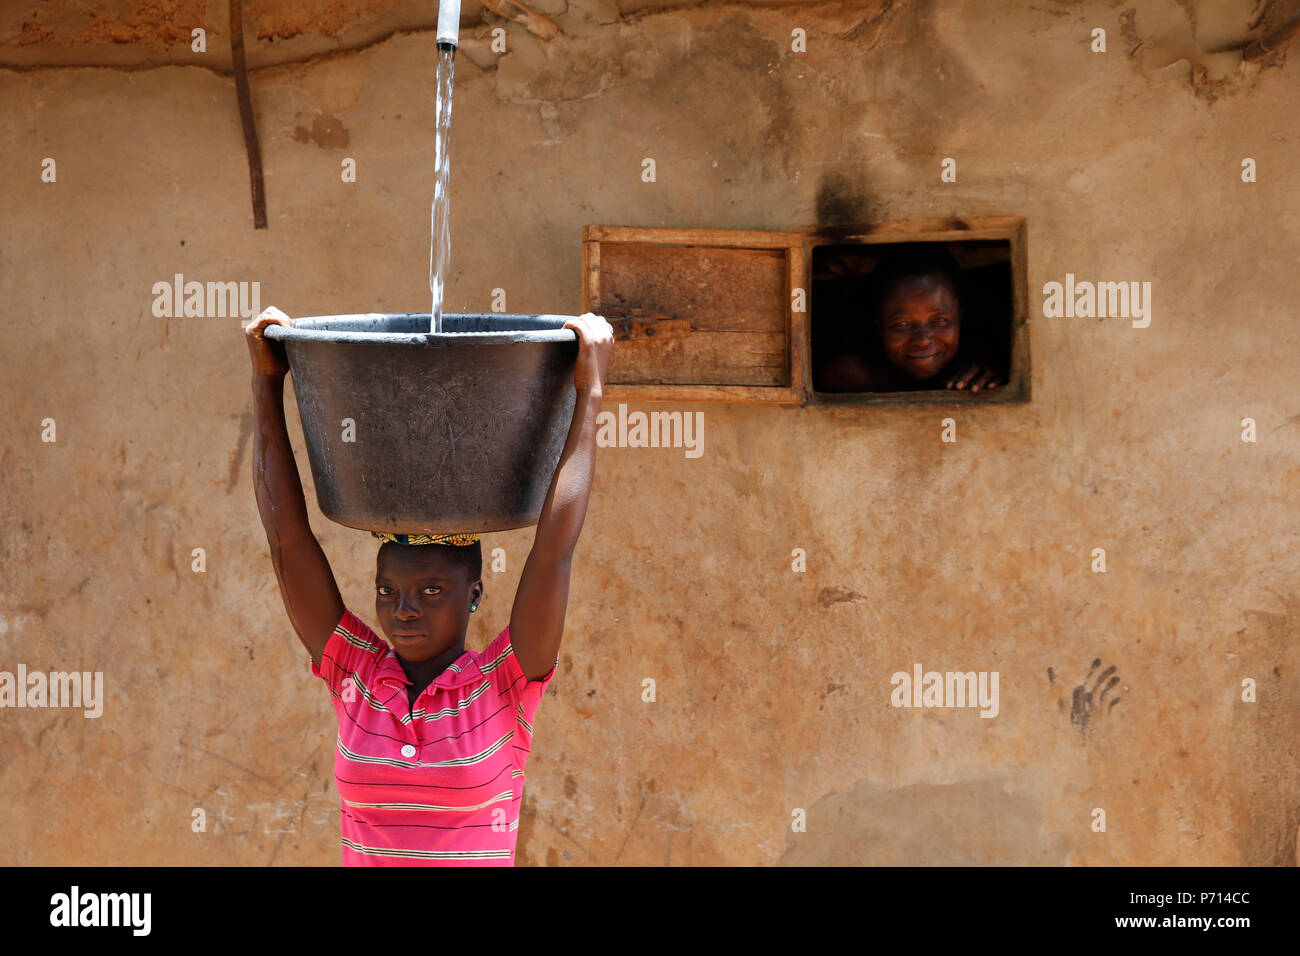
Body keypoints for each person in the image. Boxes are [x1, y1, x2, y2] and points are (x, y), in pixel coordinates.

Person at [244, 306, 613, 865]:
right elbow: (288, 542)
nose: (404, 611)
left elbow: (554, 551)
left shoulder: (504, 687)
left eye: (432, 592)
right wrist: (268, 382)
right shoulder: (357, 681)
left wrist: (590, 394)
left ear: (475, 592)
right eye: (387, 592)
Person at [816, 245, 1004, 393]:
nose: (922, 340)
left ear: (961, 318)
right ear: (878, 325)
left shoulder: (980, 364)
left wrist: (990, 386)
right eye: (902, 325)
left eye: (939, 321)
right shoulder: (849, 376)